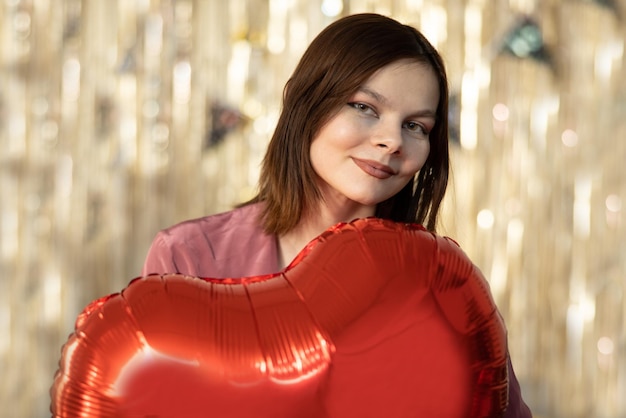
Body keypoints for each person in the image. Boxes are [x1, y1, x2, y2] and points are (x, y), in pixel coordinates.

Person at [142, 13, 532, 417]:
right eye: (364, 107)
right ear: (306, 102)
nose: (391, 140)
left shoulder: (443, 284)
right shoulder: (188, 258)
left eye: (416, 126)